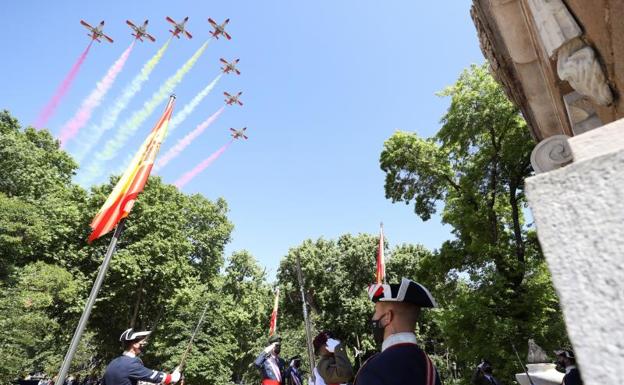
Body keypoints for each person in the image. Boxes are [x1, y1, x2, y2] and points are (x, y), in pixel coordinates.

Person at [354, 278, 442, 385]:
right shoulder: (429, 369)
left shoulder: (374, 369)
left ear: (387, 317)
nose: (373, 317)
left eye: (376, 311)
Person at [102, 328, 181, 385]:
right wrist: (172, 377)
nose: (143, 346)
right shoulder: (131, 363)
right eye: (142, 344)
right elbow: (152, 375)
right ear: (135, 345)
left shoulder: (113, 362)